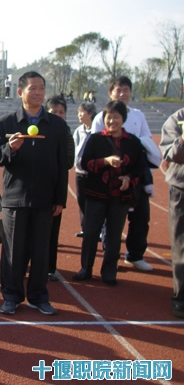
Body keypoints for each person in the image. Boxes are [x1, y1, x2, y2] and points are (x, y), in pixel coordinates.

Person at [0, 71, 68, 316]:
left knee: (41, 251)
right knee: (13, 251)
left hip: (45, 198)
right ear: (20, 92)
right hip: (15, 198)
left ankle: (38, 297)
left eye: (41, 88)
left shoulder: (57, 125)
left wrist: (60, 199)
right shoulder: (7, 122)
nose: (38, 93)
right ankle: (11, 297)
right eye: (33, 88)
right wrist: (9, 149)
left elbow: (63, 164)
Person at [91, 76, 161, 271]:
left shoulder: (138, 116)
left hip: (136, 174)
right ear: (110, 93)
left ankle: (135, 255)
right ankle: (110, 258)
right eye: (118, 90)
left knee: (141, 217)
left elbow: (146, 140)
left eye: (126, 90)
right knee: (112, 220)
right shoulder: (101, 117)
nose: (122, 94)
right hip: (111, 176)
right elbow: (95, 144)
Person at [73, 101, 145, 286]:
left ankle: (109, 272)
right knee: (90, 233)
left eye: (116, 117)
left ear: (123, 119)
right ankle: (85, 269)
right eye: (108, 117)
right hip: (96, 193)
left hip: (120, 197)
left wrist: (128, 178)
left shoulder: (133, 142)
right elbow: (85, 163)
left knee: (114, 235)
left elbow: (139, 167)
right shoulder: (95, 139)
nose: (112, 121)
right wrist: (105, 161)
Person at [45, 96, 75, 282]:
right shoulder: (38, 130)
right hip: (36, 189)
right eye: (54, 111)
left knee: (52, 230)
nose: (58, 115)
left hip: (55, 189)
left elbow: (69, 161)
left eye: (61, 112)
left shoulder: (66, 133)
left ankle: (50, 268)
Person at [159, 108, 184, 319]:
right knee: (182, 247)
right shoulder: (177, 120)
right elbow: (172, 154)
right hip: (182, 190)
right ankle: (181, 298)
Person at [73, 102, 97, 238]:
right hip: (79, 172)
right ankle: (85, 228)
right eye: (79, 112)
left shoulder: (97, 130)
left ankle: (98, 229)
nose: (79, 115)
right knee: (81, 200)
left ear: (91, 113)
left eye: (82, 112)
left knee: (94, 201)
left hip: (94, 173)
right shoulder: (78, 130)